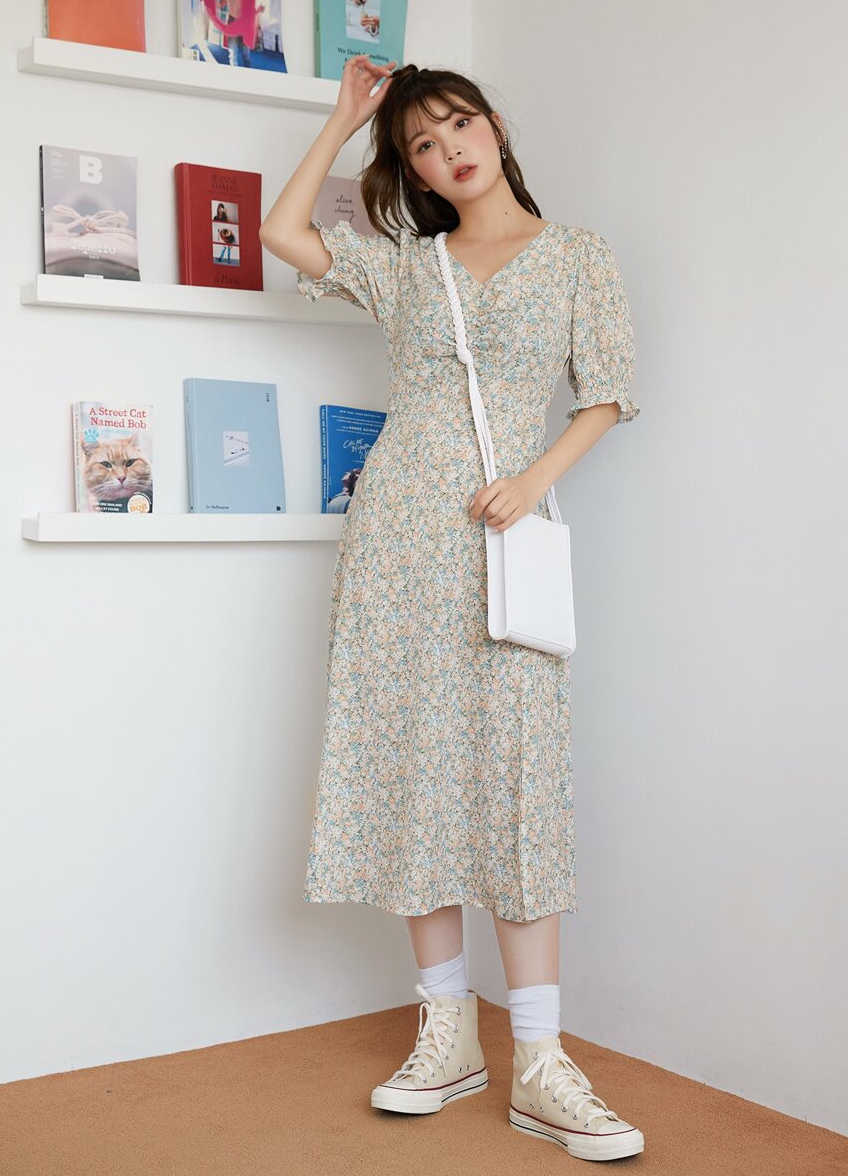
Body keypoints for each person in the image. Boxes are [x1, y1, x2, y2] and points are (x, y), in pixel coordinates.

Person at [259, 56, 644, 1163]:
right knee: (411, 766)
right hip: (397, 544)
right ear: (414, 172)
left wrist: (532, 478)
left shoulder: (578, 255)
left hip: (505, 537)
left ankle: (541, 1060)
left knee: (517, 776)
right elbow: (284, 234)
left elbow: (609, 391)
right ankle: (445, 1033)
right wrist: (346, 120)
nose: (448, 151)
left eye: (459, 125)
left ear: (494, 126)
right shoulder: (406, 267)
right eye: (422, 145)